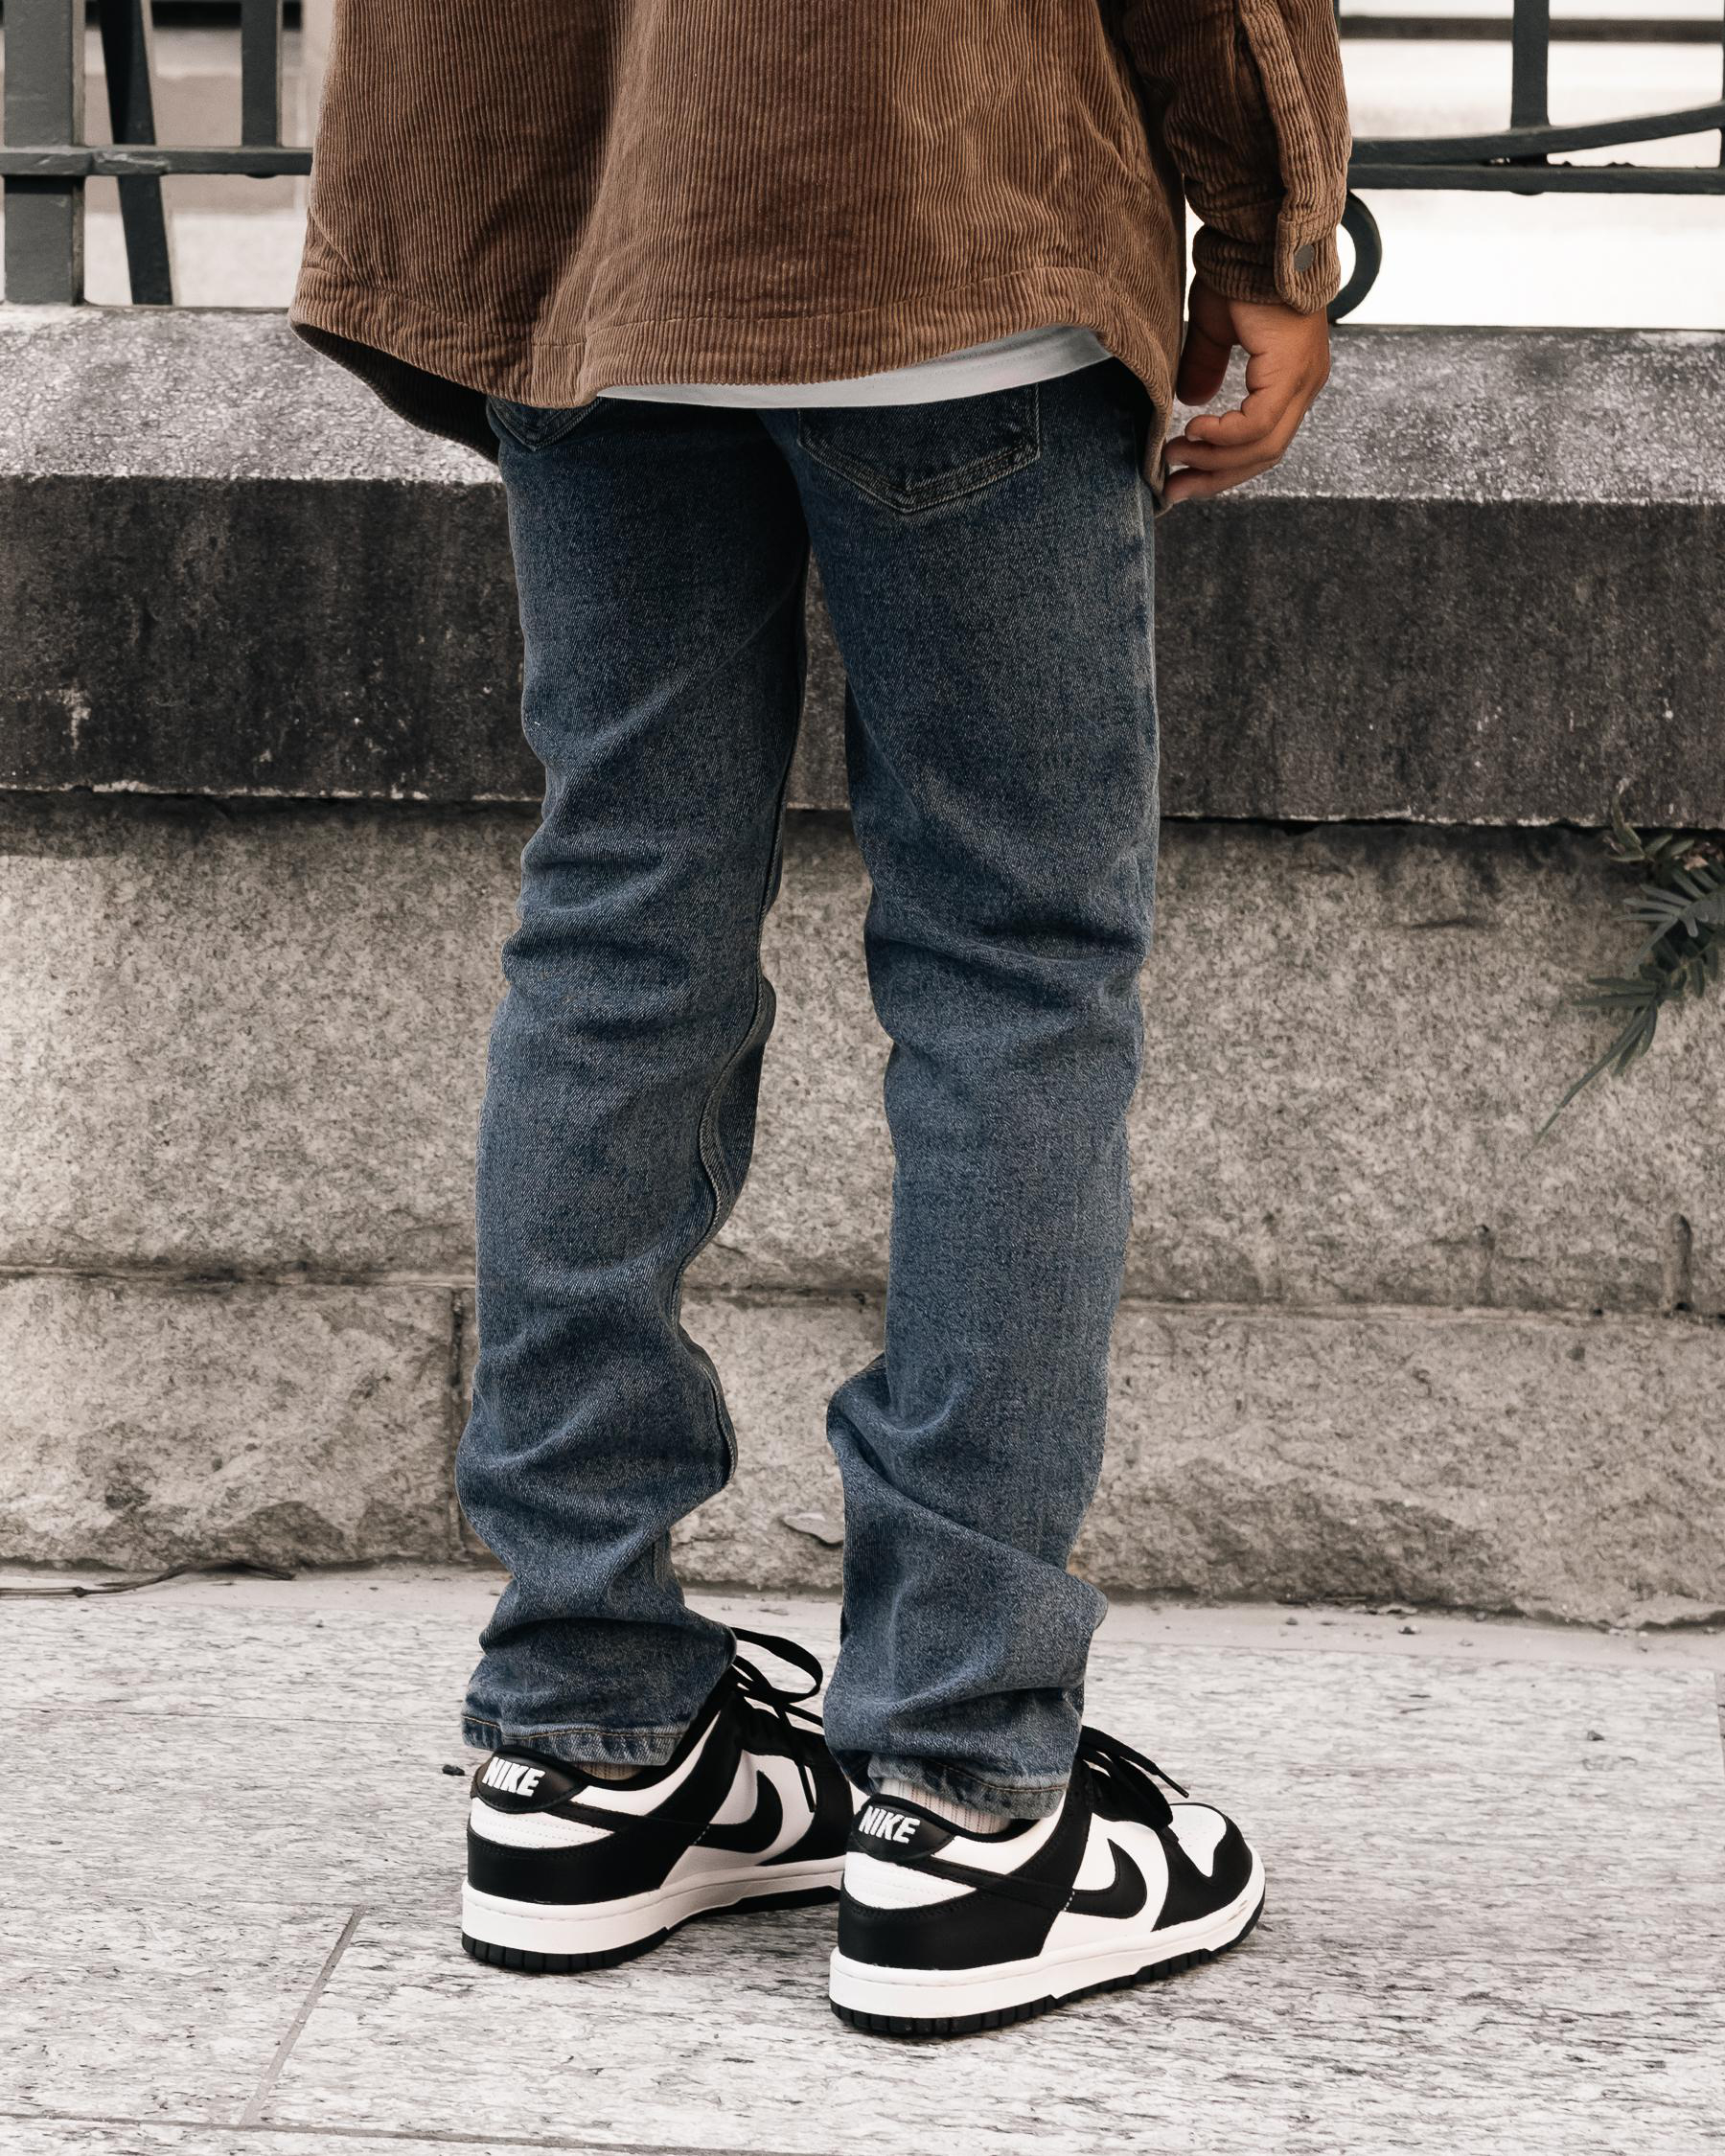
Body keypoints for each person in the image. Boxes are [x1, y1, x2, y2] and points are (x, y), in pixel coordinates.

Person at [290, 0, 1349, 2038]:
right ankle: (963, 1788)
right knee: (1012, 971)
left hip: (593, 225)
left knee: (617, 934)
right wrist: (1274, 226)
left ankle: (584, 1744)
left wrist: (446, 211)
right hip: (942, 219)